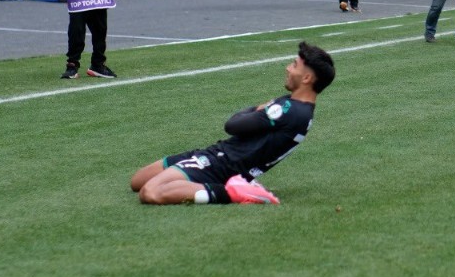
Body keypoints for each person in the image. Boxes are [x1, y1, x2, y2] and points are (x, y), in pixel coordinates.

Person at [130, 42, 336, 205]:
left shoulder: (289, 110)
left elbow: (233, 124)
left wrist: (257, 110)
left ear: (307, 77)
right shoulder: (298, 108)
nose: (287, 68)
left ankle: (232, 192)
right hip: (218, 154)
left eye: (294, 65)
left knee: (151, 192)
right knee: (138, 181)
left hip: (222, 164)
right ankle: (225, 185)